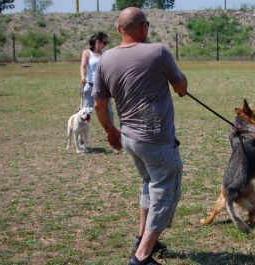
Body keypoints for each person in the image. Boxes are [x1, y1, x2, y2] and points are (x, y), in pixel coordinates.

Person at [92, 7, 188, 265]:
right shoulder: (157, 51)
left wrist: (111, 131)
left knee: (150, 183)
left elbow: (100, 104)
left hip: (130, 138)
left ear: (118, 29)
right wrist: (181, 85)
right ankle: (142, 256)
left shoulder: (105, 59)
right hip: (156, 139)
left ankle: (143, 237)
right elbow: (180, 86)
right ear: (143, 27)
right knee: (166, 189)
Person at [80, 32, 108, 108]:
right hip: (90, 85)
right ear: (98, 41)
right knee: (85, 111)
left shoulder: (104, 54)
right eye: (104, 42)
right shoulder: (87, 53)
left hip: (102, 85)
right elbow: (83, 66)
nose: (105, 44)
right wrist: (83, 77)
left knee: (108, 110)